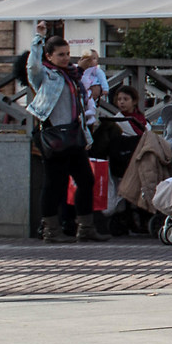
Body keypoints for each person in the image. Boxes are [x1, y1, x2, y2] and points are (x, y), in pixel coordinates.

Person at [24, 29, 102, 245]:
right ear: (49, 56)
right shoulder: (45, 75)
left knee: (86, 179)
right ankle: (51, 230)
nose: (66, 58)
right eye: (61, 54)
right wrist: (38, 39)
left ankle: (85, 227)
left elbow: (76, 103)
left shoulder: (70, 74)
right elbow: (32, 67)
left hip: (73, 134)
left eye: (67, 53)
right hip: (54, 135)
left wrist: (81, 67)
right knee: (54, 183)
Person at [90, 82, 149, 237]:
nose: (122, 102)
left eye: (125, 99)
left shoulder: (141, 120)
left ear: (134, 101)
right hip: (123, 162)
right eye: (119, 99)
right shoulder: (117, 122)